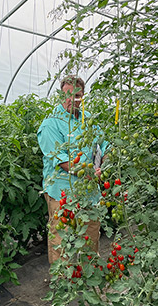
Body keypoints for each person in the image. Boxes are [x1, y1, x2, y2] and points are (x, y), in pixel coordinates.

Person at [37, 75, 107, 264]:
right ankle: (62, 285)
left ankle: (89, 278)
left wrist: (104, 167)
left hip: (90, 194)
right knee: (62, 240)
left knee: (90, 238)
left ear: (82, 96)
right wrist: (92, 173)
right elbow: (64, 163)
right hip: (62, 195)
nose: (72, 100)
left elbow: (105, 145)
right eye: (67, 95)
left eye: (77, 95)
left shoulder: (88, 119)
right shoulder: (51, 124)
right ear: (61, 95)